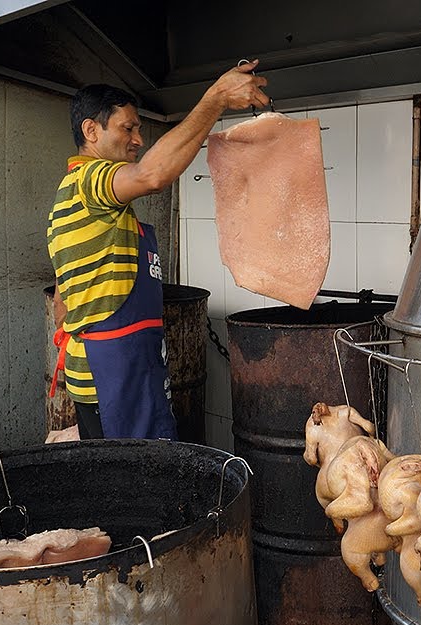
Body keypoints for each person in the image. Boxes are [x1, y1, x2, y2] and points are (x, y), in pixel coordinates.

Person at [47, 61, 269, 440]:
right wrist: (216, 98)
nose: (138, 139)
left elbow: (61, 304)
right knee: (128, 487)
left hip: (122, 368)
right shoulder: (90, 180)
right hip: (114, 375)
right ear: (91, 130)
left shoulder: (75, 202)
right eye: (127, 128)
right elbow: (153, 175)